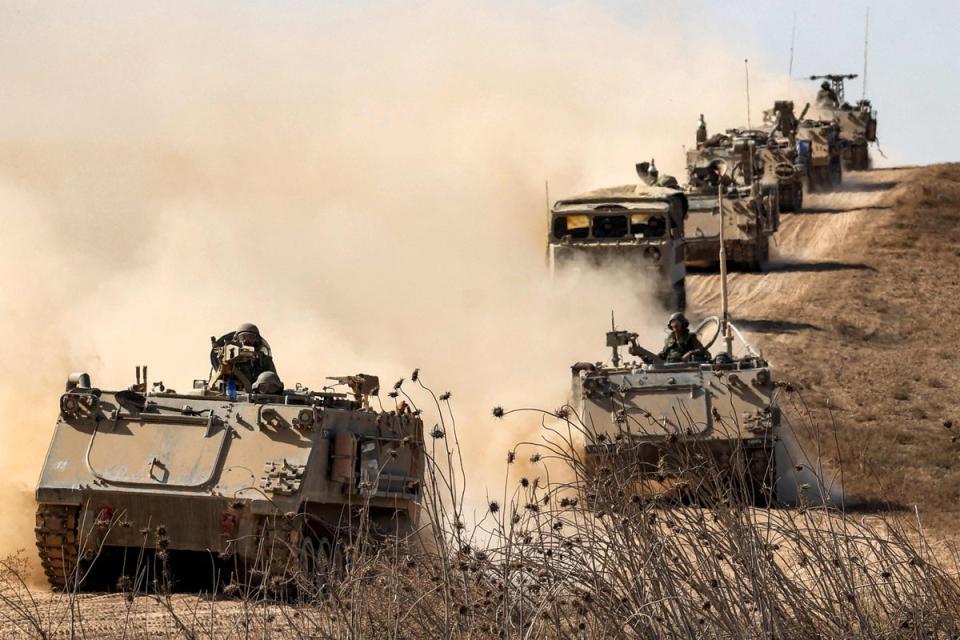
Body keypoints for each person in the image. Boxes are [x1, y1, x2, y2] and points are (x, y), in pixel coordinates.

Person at [229, 322, 278, 390]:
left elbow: (273, 380)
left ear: (257, 340)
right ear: (237, 339)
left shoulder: (265, 360)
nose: (247, 341)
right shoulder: (229, 357)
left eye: (251, 337)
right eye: (243, 337)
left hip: (259, 393)